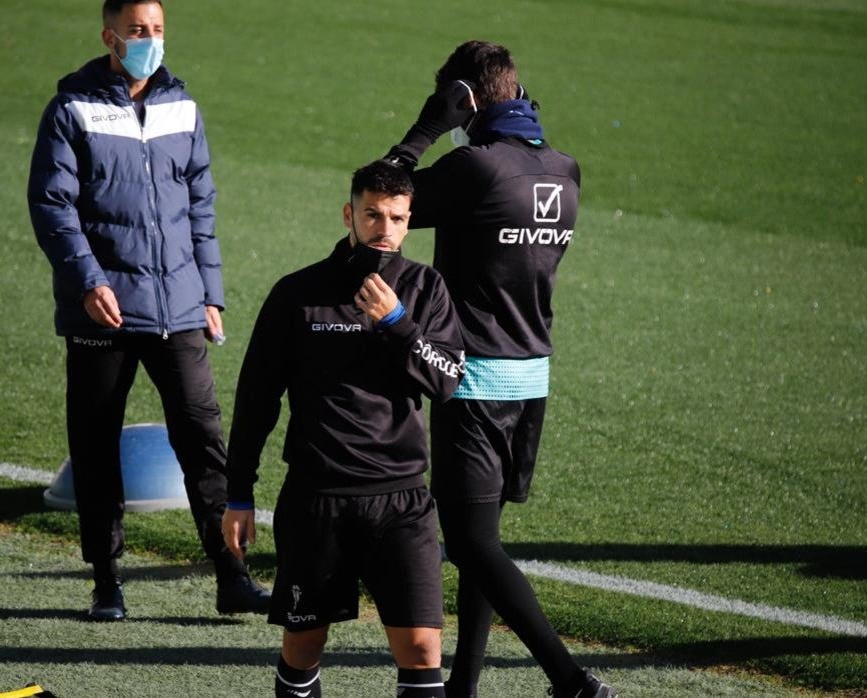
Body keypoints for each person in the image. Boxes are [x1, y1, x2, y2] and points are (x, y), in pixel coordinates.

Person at [382, 41, 617, 697]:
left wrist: (427, 126)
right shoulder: (566, 170)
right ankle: (463, 686)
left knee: (473, 544)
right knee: (481, 540)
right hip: (530, 378)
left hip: (473, 380)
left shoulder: (474, 168)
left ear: (468, 99)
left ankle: (569, 680)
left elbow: (379, 199)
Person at [28, 0, 269, 621]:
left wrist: (210, 294)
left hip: (180, 308)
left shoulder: (183, 107)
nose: (150, 40)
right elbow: (53, 207)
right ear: (110, 36)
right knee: (96, 444)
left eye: (158, 30)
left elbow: (201, 209)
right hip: (102, 313)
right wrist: (88, 281)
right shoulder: (71, 109)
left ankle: (231, 574)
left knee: (204, 441)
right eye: (138, 31)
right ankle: (107, 579)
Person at [221, 161, 465, 698]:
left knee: (423, 649)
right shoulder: (297, 294)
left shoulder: (426, 290)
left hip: (401, 502)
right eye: (373, 215)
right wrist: (237, 492)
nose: (384, 229)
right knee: (303, 646)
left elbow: (448, 380)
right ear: (349, 214)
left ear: (409, 222)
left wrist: (399, 323)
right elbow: (256, 399)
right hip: (317, 500)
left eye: (396, 218)